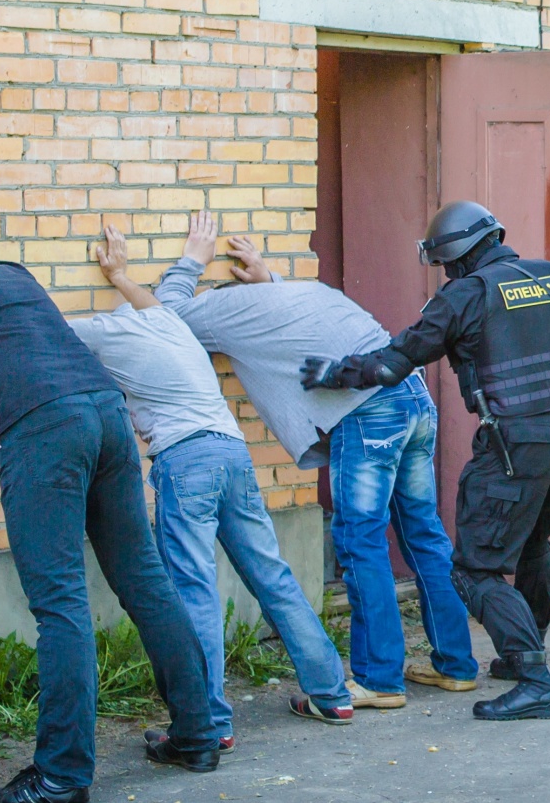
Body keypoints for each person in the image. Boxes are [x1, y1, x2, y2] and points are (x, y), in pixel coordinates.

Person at [153, 212, 478, 709]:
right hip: (412, 399)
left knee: (361, 542)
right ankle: (455, 665)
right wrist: (267, 276)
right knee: (424, 534)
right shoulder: (301, 293)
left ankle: (380, 681)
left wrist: (191, 262)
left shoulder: (222, 310)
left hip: (369, 412)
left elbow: (165, 316)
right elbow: (290, 324)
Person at [301, 200, 550, 721]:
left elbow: (393, 365)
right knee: (534, 543)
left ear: (457, 256)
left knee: (473, 569)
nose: (445, 273)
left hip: (517, 442)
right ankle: (523, 658)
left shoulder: (466, 294)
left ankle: (536, 682)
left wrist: (335, 374)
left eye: (444, 263)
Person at [67, 227, 354, 749]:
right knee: (272, 576)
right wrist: (124, 275)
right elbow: (152, 302)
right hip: (231, 451)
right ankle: (332, 694)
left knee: (193, 589)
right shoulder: (168, 323)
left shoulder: (104, 332)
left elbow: (44, 330)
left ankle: (212, 723)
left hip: (185, 461)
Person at [0, 257, 218, 803]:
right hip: (105, 411)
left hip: (41, 429)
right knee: (145, 579)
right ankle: (198, 735)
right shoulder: (11, 273)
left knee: (59, 603)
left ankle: (61, 778)